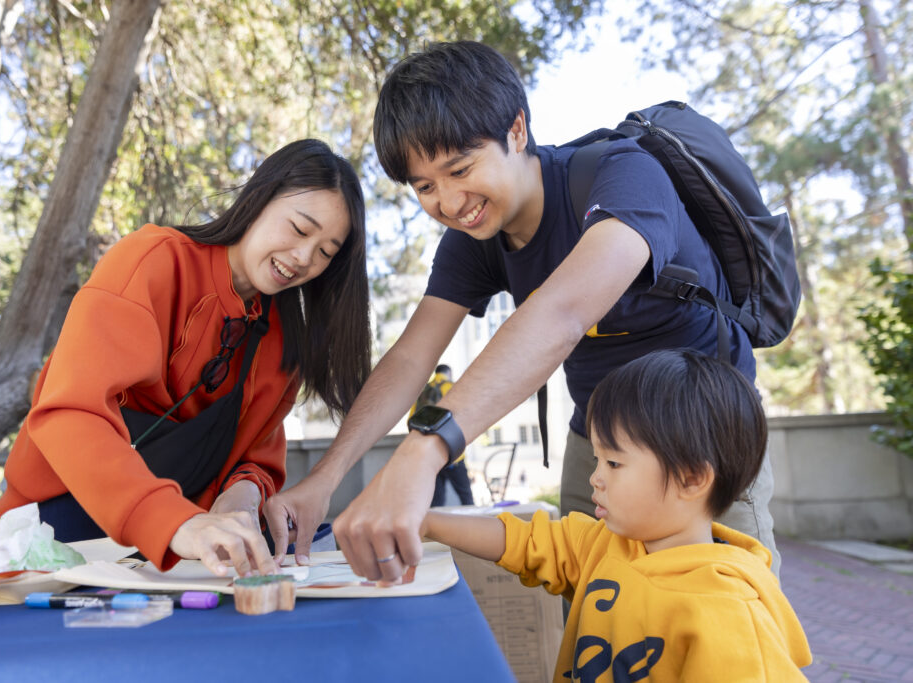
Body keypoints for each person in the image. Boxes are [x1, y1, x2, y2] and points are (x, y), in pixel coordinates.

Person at [263, 40, 779, 582]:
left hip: (702, 437)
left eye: (461, 168)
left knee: (724, 612)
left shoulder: (625, 175)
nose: (450, 202)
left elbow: (562, 313)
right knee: (596, 617)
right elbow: (412, 357)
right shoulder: (473, 240)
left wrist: (424, 450)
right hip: (599, 440)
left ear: (516, 131)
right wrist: (324, 480)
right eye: (425, 187)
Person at [0, 139, 371, 578]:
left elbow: (258, 456)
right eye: (300, 229)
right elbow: (71, 414)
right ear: (259, 199)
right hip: (62, 522)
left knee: (329, 548)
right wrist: (179, 523)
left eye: (326, 252)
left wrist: (243, 499)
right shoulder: (152, 261)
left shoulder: (285, 339)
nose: (305, 257)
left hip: (190, 544)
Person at [422, 349, 812, 681]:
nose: (595, 477)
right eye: (597, 459)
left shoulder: (730, 617)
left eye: (613, 462)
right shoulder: (606, 545)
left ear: (692, 478)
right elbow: (522, 541)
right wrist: (426, 522)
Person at [410, 364, 475, 506]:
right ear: (448, 373)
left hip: (432, 454)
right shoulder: (453, 387)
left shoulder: (423, 390)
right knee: (466, 497)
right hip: (454, 454)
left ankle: (435, 528)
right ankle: (475, 527)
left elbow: (412, 419)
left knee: (437, 502)